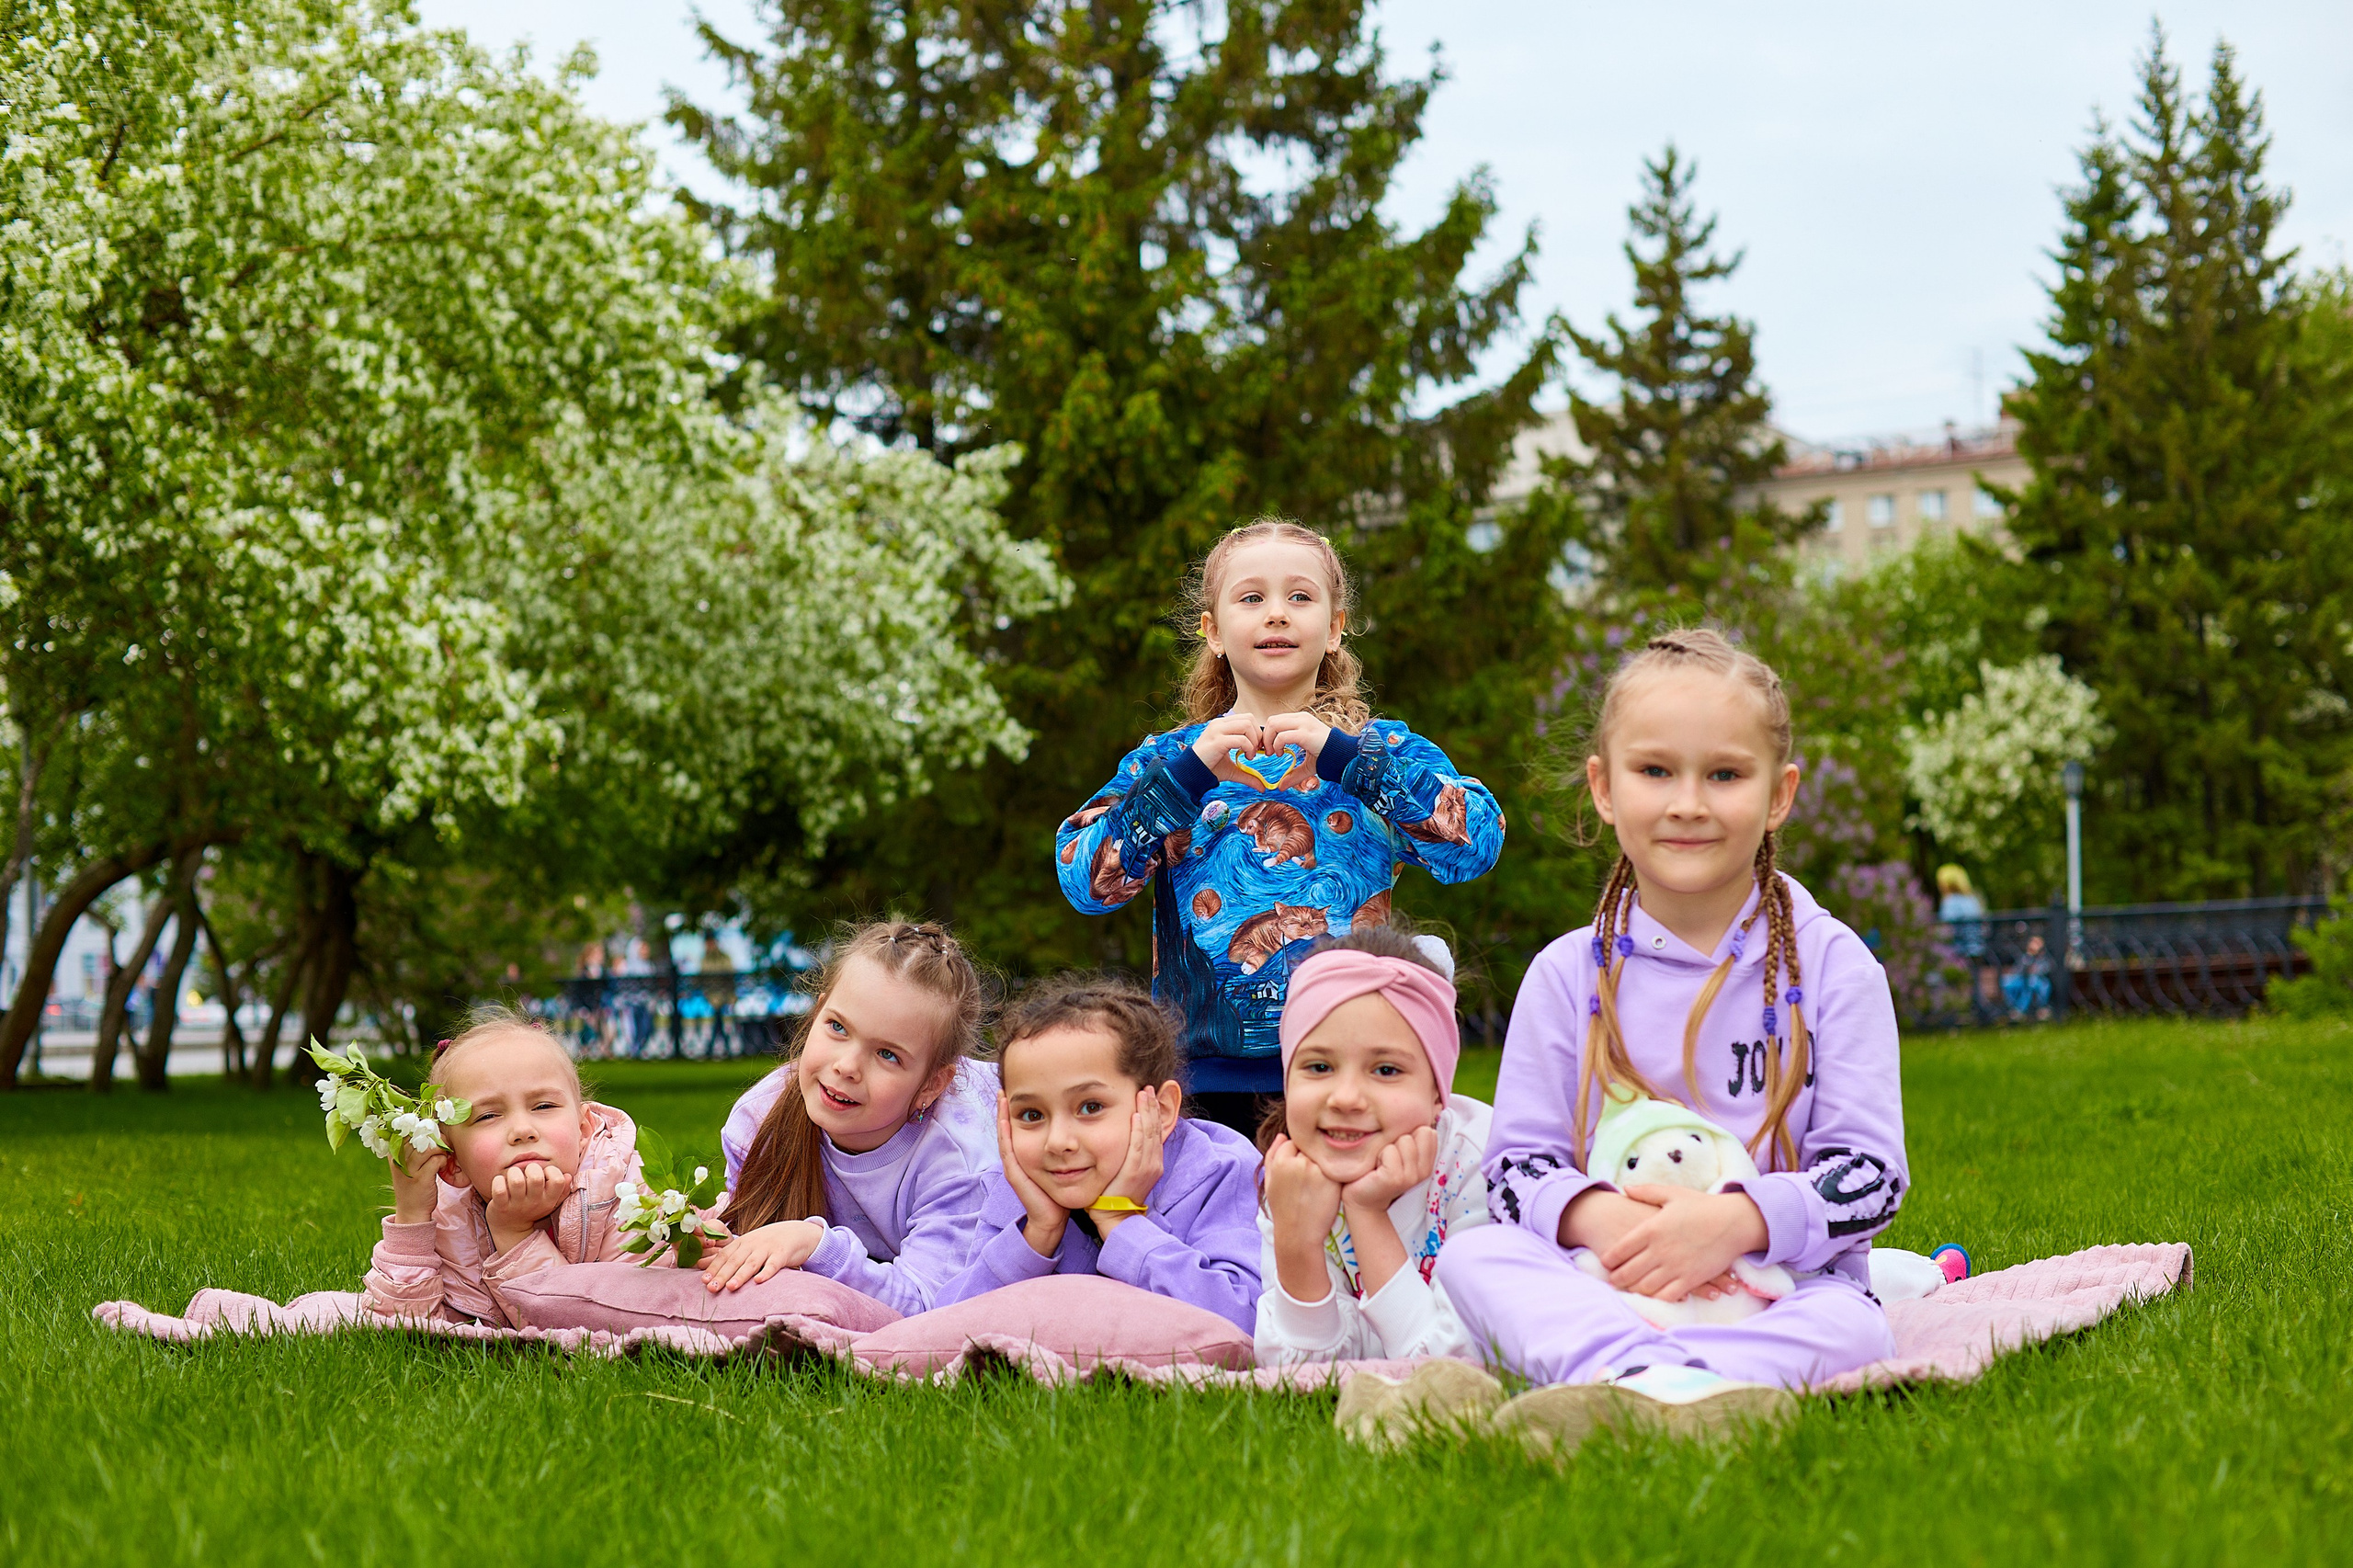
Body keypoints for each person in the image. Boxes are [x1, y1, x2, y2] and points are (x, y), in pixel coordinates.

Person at [1364, 628, 1906, 1455]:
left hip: (1777, 1287)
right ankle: (1679, 1387)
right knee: (1479, 1260)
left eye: (1725, 774)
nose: (1688, 802)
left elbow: (1869, 1181)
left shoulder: (1836, 967)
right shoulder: (1563, 975)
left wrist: (1734, 1226)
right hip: (1605, 1278)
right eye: (1655, 772)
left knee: (1857, 1327)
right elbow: (1514, 1175)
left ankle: (1628, 1384)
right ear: (1605, 788)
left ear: (1780, 794)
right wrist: (1604, 1223)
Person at [1055, 518, 1505, 1131]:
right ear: (1213, 633)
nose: (1276, 614)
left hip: (1351, 1074)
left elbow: (1475, 844)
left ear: (1335, 627)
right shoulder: (1171, 761)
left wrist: (1350, 762)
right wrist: (1187, 778)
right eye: (1251, 598)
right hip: (1204, 1084)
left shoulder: (1378, 750)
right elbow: (1086, 882)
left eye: (1300, 596)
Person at [701, 922, 995, 1315]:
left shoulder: (957, 1161)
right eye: (837, 1027)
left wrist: (817, 1245)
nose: (847, 1067)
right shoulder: (758, 1123)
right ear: (816, 1012)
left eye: (887, 1054)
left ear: (931, 1085)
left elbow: (931, 1306)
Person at [938, 977, 1261, 1331]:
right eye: (1032, 1115)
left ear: (1162, 1109)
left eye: (1090, 1107)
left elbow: (1244, 1320)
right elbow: (944, 1331)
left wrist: (1120, 1221)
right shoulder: (1016, 1186)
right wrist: (1038, 1234)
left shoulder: (1221, 1171)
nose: (1058, 1142)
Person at [1255, 926, 1492, 1367]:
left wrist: (1367, 1213)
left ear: (1438, 1092)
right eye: (1319, 1066)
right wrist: (1297, 1243)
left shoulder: (1479, 1166)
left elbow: (1451, 1369)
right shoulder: (1294, 1179)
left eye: (1385, 1071)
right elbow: (1300, 1377)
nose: (1345, 1098)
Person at [361, 1007, 643, 1326]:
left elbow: (604, 1327)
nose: (522, 1129)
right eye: (488, 1116)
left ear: (583, 1129)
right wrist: (411, 1215)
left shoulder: (626, 1197)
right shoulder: (450, 1222)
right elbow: (403, 1328)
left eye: (544, 1106)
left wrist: (515, 1235)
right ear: (452, 1162)